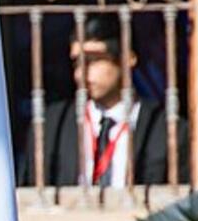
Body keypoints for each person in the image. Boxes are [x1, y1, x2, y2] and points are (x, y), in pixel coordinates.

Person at [31, 15, 189, 188]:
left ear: (127, 59)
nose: (80, 74)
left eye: (93, 60)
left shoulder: (168, 129)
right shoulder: (52, 125)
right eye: (77, 62)